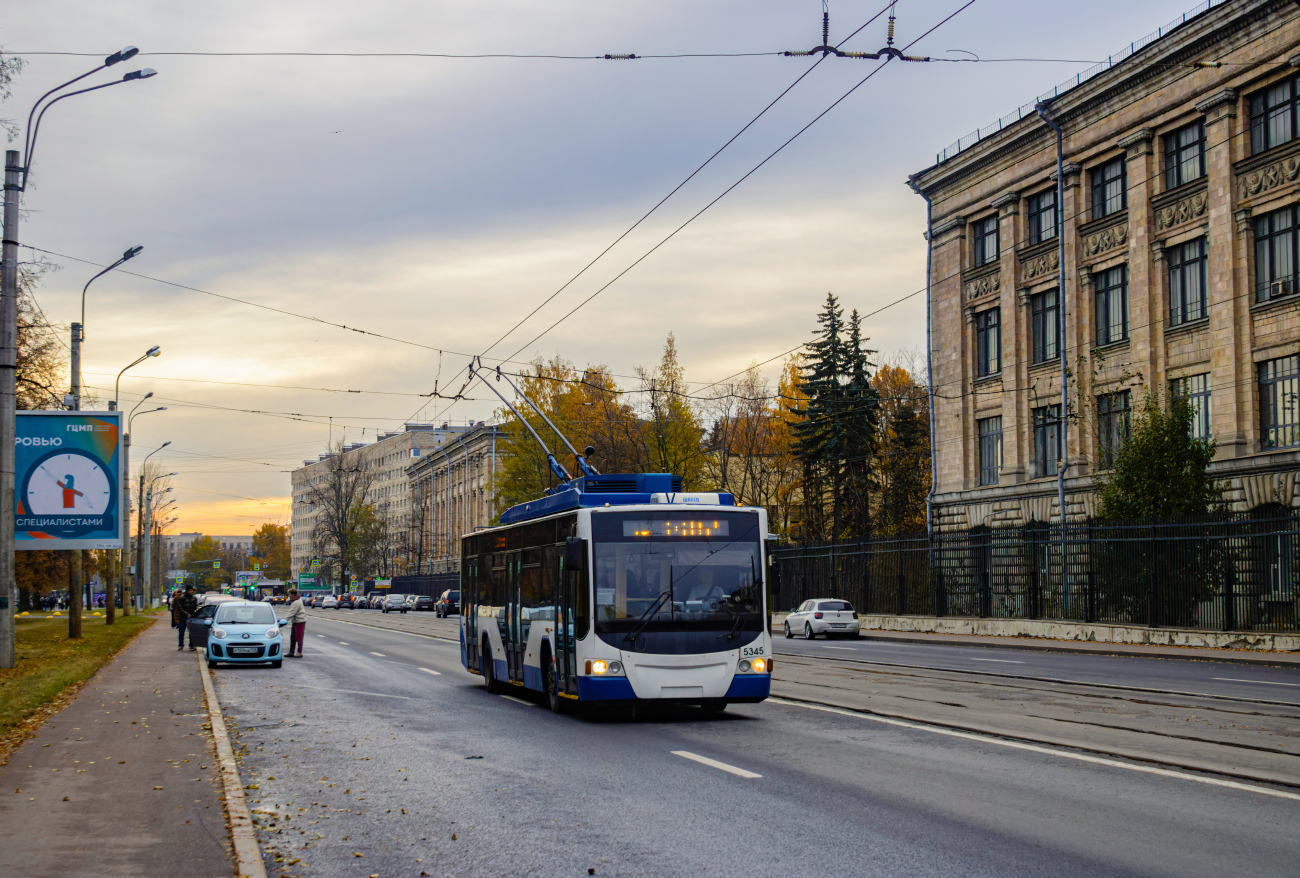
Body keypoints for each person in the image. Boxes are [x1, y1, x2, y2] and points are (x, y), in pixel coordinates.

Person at [174, 585, 199, 651]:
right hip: (182, 618)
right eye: (189, 590)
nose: (190, 592)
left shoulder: (194, 598)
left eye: (191, 590)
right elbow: (179, 608)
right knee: (181, 633)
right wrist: (186, 613)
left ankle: (192, 645)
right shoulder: (182, 598)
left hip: (191, 618)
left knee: (191, 632)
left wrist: (196, 609)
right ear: (186, 590)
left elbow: (196, 605)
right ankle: (180, 645)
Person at [284, 589, 306, 658]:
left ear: (293, 594)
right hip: (295, 621)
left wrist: (284, 620)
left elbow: (292, 612)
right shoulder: (295, 600)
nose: (289, 596)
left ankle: (299, 652)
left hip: (300, 621)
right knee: (293, 637)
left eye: (290, 594)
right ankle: (291, 652)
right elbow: (288, 601)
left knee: (298, 637)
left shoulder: (297, 602)